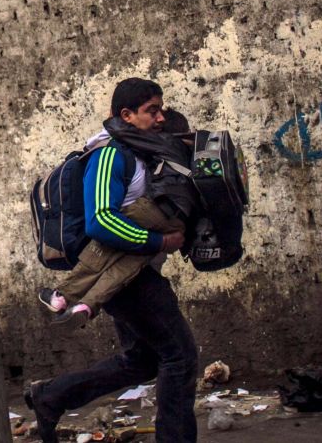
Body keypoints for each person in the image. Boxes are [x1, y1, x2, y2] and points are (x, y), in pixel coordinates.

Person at [26, 78, 198, 443]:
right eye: (152, 110)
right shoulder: (110, 155)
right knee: (179, 356)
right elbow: (100, 220)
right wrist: (159, 240)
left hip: (135, 268)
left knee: (142, 359)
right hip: (121, 274)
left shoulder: (142, 151)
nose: (159, 117)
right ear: (126, 115)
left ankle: (50, 397)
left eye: (160, 109)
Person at [38, 110, 192, 326]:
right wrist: (163, 241)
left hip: (153, 209)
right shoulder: (188, 150)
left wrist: (116, 119)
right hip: (176, 221)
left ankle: (63, 295)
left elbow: (101, 222)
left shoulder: (149, 146)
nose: (156, 118)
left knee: (109, 235)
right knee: (128, 264)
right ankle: (87, 305)